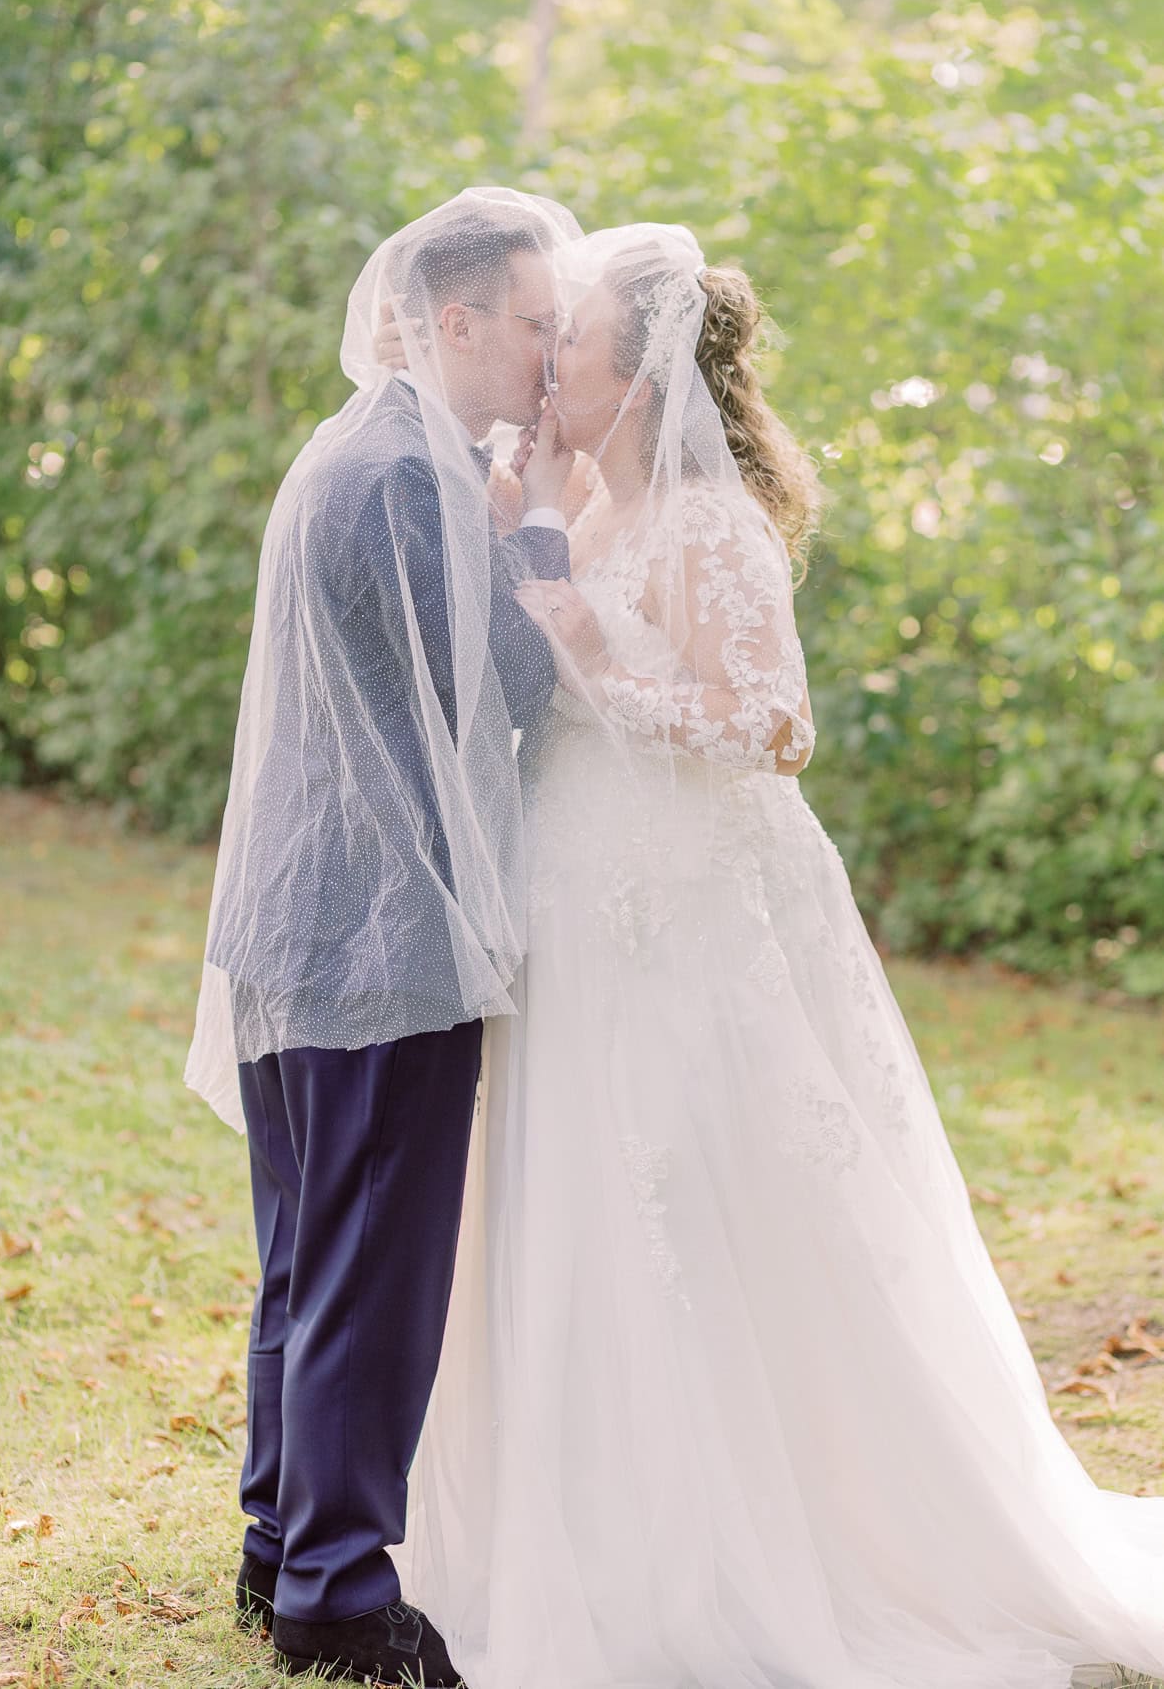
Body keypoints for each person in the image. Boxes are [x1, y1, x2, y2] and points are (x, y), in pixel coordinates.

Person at [388, 224, 1164, 1689]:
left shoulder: (706, 520)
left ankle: (733, 1551)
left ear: (642, 373)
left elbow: (774, 729)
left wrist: (592, 652)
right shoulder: (582, 507)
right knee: (573, 1199)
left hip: (682, 919)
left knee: (687, 1194)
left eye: (579, 342)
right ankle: (575, 1521)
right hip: (573, 908)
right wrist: (527, 548)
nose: (553, 359)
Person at [183, 186, 582, 1686]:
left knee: (306, 1261)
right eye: (533, 325)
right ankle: (341, 1596)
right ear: (452, 319)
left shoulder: (356, 448)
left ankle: (280, 1542)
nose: (548, 357)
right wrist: (539, 528)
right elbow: (505, 688)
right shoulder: (407, 474)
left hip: (303, 916)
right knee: (371, 1274)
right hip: (378, 929)